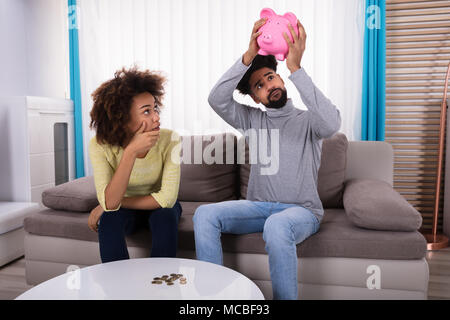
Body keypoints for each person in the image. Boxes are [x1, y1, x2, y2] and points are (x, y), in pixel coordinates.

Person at [193, 18, 341, 299]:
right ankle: (211, 298)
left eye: (270, 77)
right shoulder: (252, 120)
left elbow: (332, 123)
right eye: (259, 86)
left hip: (302, 212)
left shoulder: (310, 122)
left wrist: (296, 68)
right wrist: (247, 57)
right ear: (257, 99)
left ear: (281, 79)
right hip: (258, 208)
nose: (267, 84)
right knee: (204, 214)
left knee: (278, 224)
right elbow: (216, 99)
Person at [88, 67, 182, 263]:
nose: (156, 117)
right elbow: (111, 206)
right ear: (122, 119)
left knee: (165, 216)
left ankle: (160, 287)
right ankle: (117, 287)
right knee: (109, 220)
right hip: (124, 211)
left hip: (159, 207)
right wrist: (130, 152)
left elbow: (166, 200)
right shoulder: (99, 146)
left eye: (155, 108)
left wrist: (105, 206)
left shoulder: (170, 139)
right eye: (146, 111)